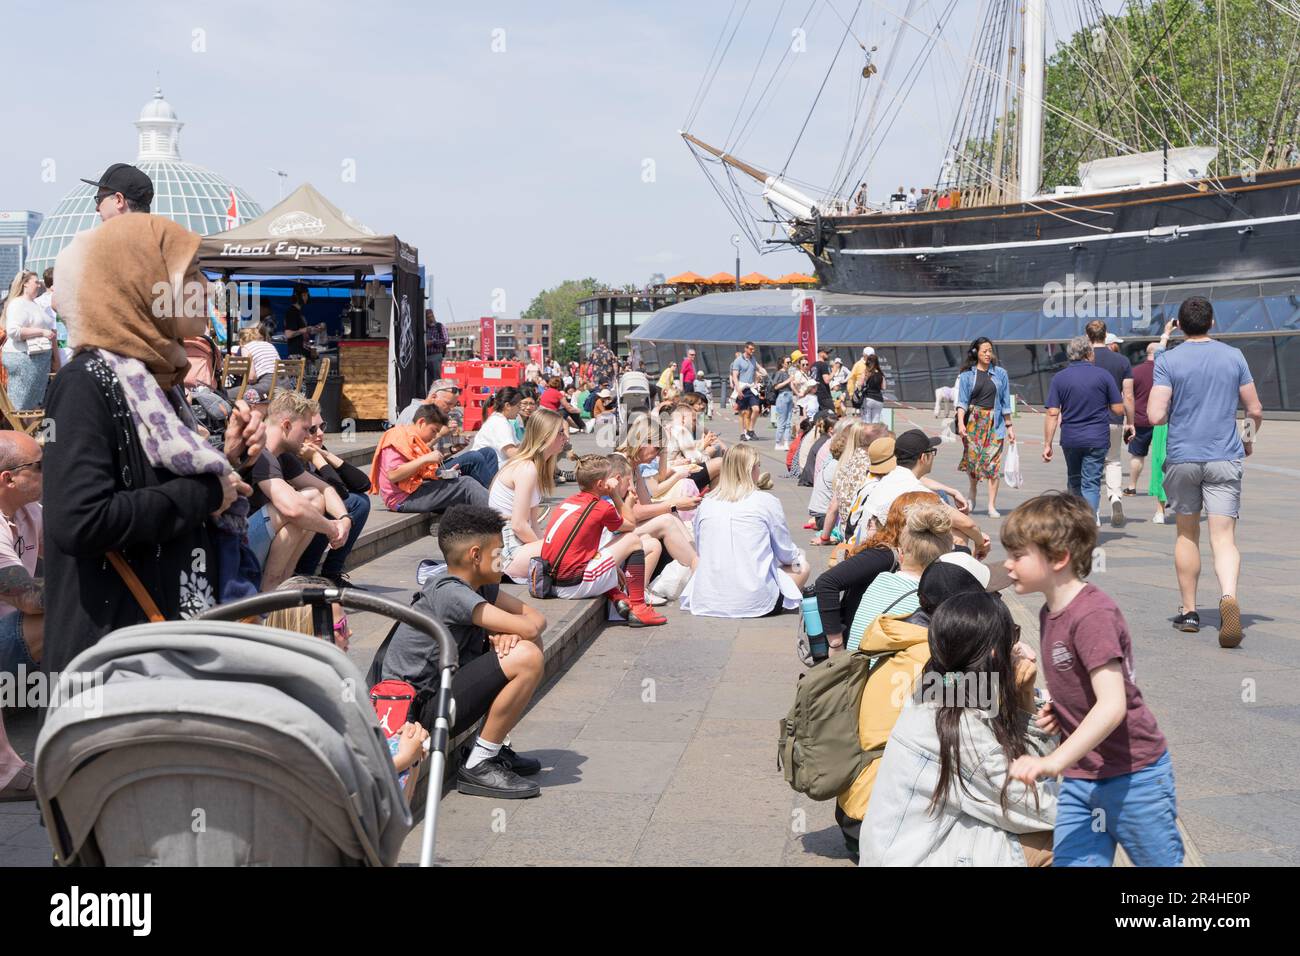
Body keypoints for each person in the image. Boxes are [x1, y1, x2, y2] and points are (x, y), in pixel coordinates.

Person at [43, 212, 262, 675]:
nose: (209, 288)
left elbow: (158, 490)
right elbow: (78, 522)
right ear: (144, 283)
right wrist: (206, 492)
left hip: (166, 653)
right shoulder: (85, 383)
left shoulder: (156, 382)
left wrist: (230, 463)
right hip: (115, 665)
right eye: (194, 272)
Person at [1004, 493, 1183, 866]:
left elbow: (1113, 704)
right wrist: (1063, 707)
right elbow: (1083, 684)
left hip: (1134, 777)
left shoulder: (1092, 616)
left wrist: (1053, 761)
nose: (1007, 565)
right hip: (1083, 776)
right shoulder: (1049, 612)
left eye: (1018, 555)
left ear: (1058, 558)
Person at [861, 590, 1056, 867]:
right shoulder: (960, 725)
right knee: (1074, 834)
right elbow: (1037, 804)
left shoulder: (940, 685)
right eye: (1011, 636)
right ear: (992, 651)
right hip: (915, 857)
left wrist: (1023, 694)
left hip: (901, 847)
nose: (1017, 647)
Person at [381, 506, 547, 798]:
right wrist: (509, 631)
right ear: (475, 555)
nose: (504, 558)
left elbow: (536, 621)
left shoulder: (480, 587)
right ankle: (480, 763)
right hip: (416, 712)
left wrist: (506, 631)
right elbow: (530, 628)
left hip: (443, 693)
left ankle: (490, 747)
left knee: (528, 647)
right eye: (499, 551)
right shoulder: (450, 591)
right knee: (527, 655)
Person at [832, 557, 993, 856]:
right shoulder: (933, 661)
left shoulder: (901, 632)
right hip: (882, 825)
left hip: (856, 807)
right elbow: (986, 728)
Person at [1146, 296, 1263, 645]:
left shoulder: (1168, 360)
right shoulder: (1234, 357)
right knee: (1223, 537)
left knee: (1186, 534)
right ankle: (1228, 596)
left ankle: (1189, 611)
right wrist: (1247, 440)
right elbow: (1254, 409)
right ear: (1213, 323)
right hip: (1224, 455)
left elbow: (1155, 415)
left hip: (1183, 456)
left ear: (1179, 326)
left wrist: (1175, 414)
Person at [681, 444, 810, 618]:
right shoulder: (766, 501)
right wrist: (797, 555)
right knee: (801, 565)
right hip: (756, 602)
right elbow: (786, 553)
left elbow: (702, 550)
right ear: (751, 469)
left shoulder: (706, 503)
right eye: (758, 466)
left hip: (706, 600)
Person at [541, 455, 666, 626]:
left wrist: (612, 567)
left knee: (609, 553)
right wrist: (618, 496)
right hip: (573, 585)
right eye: (612, 480)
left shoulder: (568, 502)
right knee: (632, 540)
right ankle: (638, 607)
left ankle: (616, 594)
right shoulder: (601, 507)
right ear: (601, 484)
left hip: (552, 581)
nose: (615, 481)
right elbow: (630, 525)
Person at [246, 393, 351, 592]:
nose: (308, 435)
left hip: (255, 539)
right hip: (235, 545)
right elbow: (292, 508)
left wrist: (344, 519)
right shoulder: (260, 452)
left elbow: (326, 488)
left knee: (314, 499)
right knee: (307, 501)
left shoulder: (283, 455)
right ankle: (270, 586)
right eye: (306, 429)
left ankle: (281, 582)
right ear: (286, 425)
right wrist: (331, 528)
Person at [863, 430, 989, 558]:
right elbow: (967, 524)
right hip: (886, 556)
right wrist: (980, 543)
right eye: (932, 452)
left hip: (867, 548)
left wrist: (953, 492)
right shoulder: (917, 492)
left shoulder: (891, 476)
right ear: (924, 457)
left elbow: (921, 480)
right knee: (958, 535)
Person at [1043, 336, 1124, 524]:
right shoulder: (1103, 376)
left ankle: (1074, 522)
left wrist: (1047, 444)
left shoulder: (1059, 378)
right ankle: (1089, 522)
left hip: (1070, 438)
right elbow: (1118, 409)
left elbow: (1053, 414)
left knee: (1074, 480)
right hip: (1097, 437)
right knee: (1091, 483)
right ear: (1088, 353)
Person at [293, 409, 372, 588]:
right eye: (312, 429)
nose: (320, 433)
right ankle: (304, 573)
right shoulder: (293, 456)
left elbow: (363, 484)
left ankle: (331, 574)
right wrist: (318, 459)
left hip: (308, 524)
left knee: (360, 501)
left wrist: (327, 456)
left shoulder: (317, 449)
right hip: (296, 526)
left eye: (323, 426)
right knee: (353, 504)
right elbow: (339, 492)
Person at [487, 408, 565, 582]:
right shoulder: (526, 469)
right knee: (567, 549)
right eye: (560, 432)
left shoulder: (533, 467)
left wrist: (542, 545)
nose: (565, 437)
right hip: (507, 550)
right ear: (546, 436)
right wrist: (544, 549)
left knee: (567, 544)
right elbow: (519, 525)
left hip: (513, 543)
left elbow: (533, 523)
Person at [370, 403, 490, 514]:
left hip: (413, 490)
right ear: (422, 422)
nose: (434, 436)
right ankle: (502, 518)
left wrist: (442, 473)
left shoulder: (412, 437)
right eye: (433, 431)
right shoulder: (397, 436)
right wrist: (425, 459)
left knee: (467, 482)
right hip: (403, 499)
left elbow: (419, 470)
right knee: (466, 484)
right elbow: (393, 475)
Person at [399, 379, 498, 488]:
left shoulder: (433, 414)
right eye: (448, 404)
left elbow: (433, 454)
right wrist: (439, 435)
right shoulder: (414, 414)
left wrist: (453, 449)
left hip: (432, 466)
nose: (451, 409)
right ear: (433, 397)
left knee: (488, 453)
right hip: (420, 474)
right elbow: (413, 457)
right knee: (474, 457)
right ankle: (492, 498)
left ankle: (492, 493)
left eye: (454, 405)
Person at [0, 432, 44, 680]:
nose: (47, 472)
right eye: (38, 466)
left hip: (13, 628)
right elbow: (27, 596)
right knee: (75, 612)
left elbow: (72, 546)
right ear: (9, 479)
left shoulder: (28, 509)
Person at [955, 337, 1016, 518]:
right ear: (976, 353)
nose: (988, 354)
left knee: (993, 465)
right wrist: (960, 423)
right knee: (973, 463)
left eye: (990, 351)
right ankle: (972, 491)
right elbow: (962, 402)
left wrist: (1010, 426)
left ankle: (991, 505)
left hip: (995, 422)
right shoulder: (967, 376)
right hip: (973, 423)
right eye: (984, 351)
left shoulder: (1000, 374)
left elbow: (1005, 402)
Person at [1085, 320, 1135, 527]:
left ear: (1088, 337)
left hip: (1088, 420)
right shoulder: (1122, 361)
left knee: (1091, 464)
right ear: (1106, 336)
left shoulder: (1084, 360)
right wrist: (1130, 422)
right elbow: (1129, 396)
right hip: (1114, 419)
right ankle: (1115, 497)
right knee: (1113, 460)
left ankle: (1094, 511)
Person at [1124, 327, 1175, 520]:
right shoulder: (1169, 370)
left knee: (1138, 455)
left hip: (1141, 420)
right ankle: (1166, 500)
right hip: (1164, 421)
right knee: (1164, 460)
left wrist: (1128, 420)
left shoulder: (1135, 372)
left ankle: (1132, 486)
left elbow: (1127, 395)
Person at [2, 270, 57, 410]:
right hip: (24, 360)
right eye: (36, 282)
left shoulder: (34, 304)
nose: (39, 285)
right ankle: (21, 431)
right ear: (25, 284)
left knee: (33, 406)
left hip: (36, 363)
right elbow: (14, 331)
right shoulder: (18, 304)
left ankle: (29, 431)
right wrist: (42, 332)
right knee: (22, 406)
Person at [83, 162, 154, 222]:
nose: (97, 208)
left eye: (99, 199)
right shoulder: (160, 236)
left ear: (119, 200)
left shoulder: (104, 238)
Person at [471, 386, 522, 465]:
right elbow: (511, 452)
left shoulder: (500, 419)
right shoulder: (500, 423)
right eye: (518, 406)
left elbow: (518, 445)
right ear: (508, 406)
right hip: (487, 468)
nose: (519, 410)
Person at [235, 325, 281, 402]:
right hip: (285, 385)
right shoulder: (270, 345)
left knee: (228, 393)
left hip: (268, 386)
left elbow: (251, 378)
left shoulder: (246, 347)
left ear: (241, 341)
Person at [730, 341, 762, 441]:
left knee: (756, 409)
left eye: (753, 349)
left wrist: (761, 373)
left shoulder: (753, 359)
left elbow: (758, 369)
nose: (753, 351)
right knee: (743, 413)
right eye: (751, 349)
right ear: (746, 349)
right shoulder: (738, 360)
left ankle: (750, 430)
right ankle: (742, 433)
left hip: (751, 388)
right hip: (742, 388)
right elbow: (735, 375)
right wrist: (737, 388)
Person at [283, 284, 324, 360]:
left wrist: (313, 329)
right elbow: (288, 334)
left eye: (306, 295)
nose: (306, 297)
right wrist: (305, 330)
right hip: (296, 356)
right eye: (304, 295)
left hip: (303, 354)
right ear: (298, 296)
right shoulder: (291, 312)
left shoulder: (299, 312)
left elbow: (302, 333)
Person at [771, 356, 796, 450]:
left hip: (789, 395)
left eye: (790, 362)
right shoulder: (779, 373)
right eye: (788, 362)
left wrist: (798, 393)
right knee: (782, 421)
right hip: (783, 396)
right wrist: (788, 380)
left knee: (789, 421)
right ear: (783, 364)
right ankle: (777, 443)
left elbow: (791, 386)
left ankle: (786, 442)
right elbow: (776, 386)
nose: (790, 364)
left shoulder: (788, 372)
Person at [858, 351, 887, 424]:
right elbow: (883, 387)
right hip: (879, 400)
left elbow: (860, 384)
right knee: (875, 422)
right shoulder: (881, 374)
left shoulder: (866, 372)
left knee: (866, 422)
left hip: (868, 399)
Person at [810, 346, 834, 420]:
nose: (828, 354)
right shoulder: (823, 365)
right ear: (820, 353)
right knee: (831, 416)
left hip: (816, 395)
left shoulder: (813, 365)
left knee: (820, 418)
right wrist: (834, 371)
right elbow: (826, 380)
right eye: (826, 352)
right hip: (824, 395)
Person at [424, 308, 447, 382]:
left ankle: (437, 393)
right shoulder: (424, 328)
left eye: (431, 316)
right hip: (425, 357)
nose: (430, 319)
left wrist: (433, 342)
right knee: (427, 380)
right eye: (428, 317)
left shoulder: (439, 326)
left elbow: (446, 340)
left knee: (436, 379)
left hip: (436, 356)